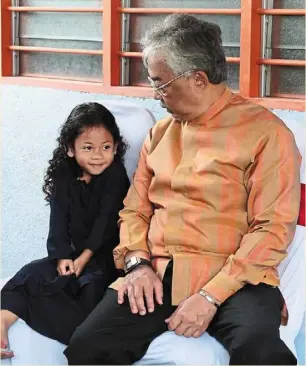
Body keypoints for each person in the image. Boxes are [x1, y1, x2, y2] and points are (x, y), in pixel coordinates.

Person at [64, 15, 301, 366]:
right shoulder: (160, 134)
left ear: (198, 79)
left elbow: (272, 228)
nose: (156, 96)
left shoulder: (268, 134)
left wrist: (209, 296)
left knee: (262, 353)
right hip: (159, 274)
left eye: (160, 83)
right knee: (88, 347)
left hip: (237, 279)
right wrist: (137, 264)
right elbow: (135, 211)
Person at [0, 102, 130, 359]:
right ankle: (3, 323)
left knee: (90, 290)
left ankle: (83, 342)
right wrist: (62, 256)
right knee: (30, 274)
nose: (98, 155)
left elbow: (106, 224)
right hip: (70, 253)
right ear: (70, 149)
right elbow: (58, 219)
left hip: (102, 258)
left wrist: (83, 258)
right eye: (88, 148)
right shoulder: (64, 173)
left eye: (106, 147)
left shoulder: (116, 176)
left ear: (116, 146)